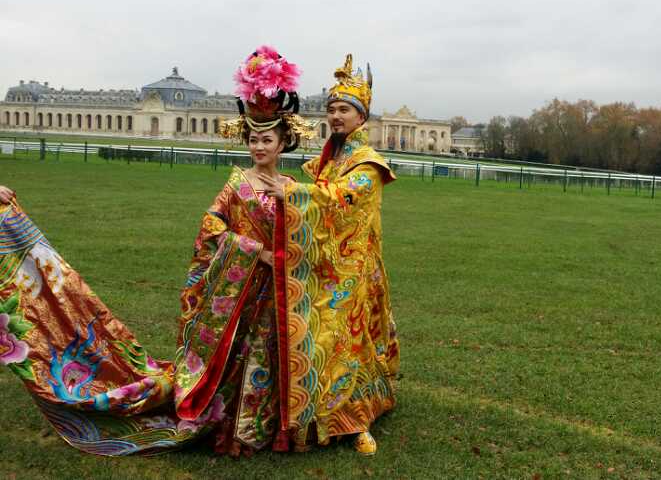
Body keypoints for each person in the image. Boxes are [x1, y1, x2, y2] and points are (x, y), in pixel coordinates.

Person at [0, 46, 328, 456]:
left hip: (281, 290)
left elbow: (316, 236)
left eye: (267, 140)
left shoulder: (294, 188)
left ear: (283, 144)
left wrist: (298, 207)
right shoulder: (236, 184)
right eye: (254, 140)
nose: (259, 147)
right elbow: (210, 231)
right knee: (242, 353)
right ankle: (234, 425)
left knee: (278, 352)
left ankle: (275, 425)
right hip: (241, 290)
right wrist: (251, 250)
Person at [259, 54, 399, 455]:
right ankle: (318, 410)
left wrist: (295, 193)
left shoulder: (367, 163)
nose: (335, 117)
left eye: (344, 110)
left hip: (354, 270)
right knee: (321, 338)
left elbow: (344, 198)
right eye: (332, 110)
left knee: (348, 341)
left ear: (362, 118)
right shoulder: (328, 158)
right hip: (325, 264)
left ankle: (356, 419)